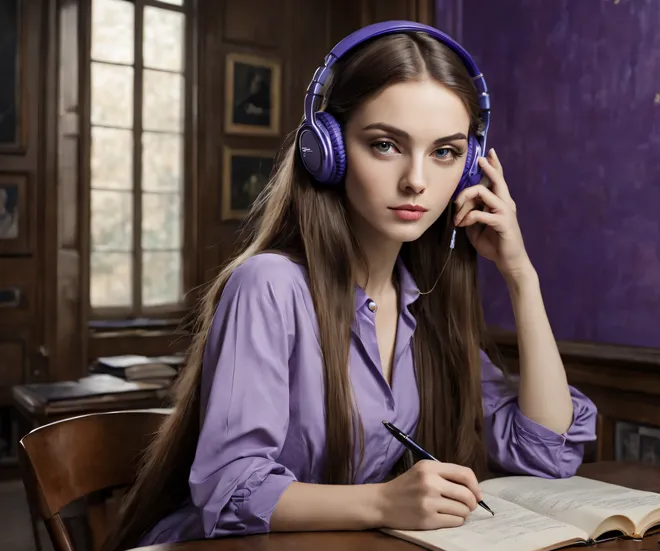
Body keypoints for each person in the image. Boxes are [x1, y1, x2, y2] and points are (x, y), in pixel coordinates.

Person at [103, 21, 597, 551]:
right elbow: (229, 491)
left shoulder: (423, 302)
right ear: (328, 151)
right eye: (386, 145)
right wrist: (384, 502)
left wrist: (521, 275)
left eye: (445, 152)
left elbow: (545, 452)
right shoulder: (268, 286)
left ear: (471, 169)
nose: (416, 180)